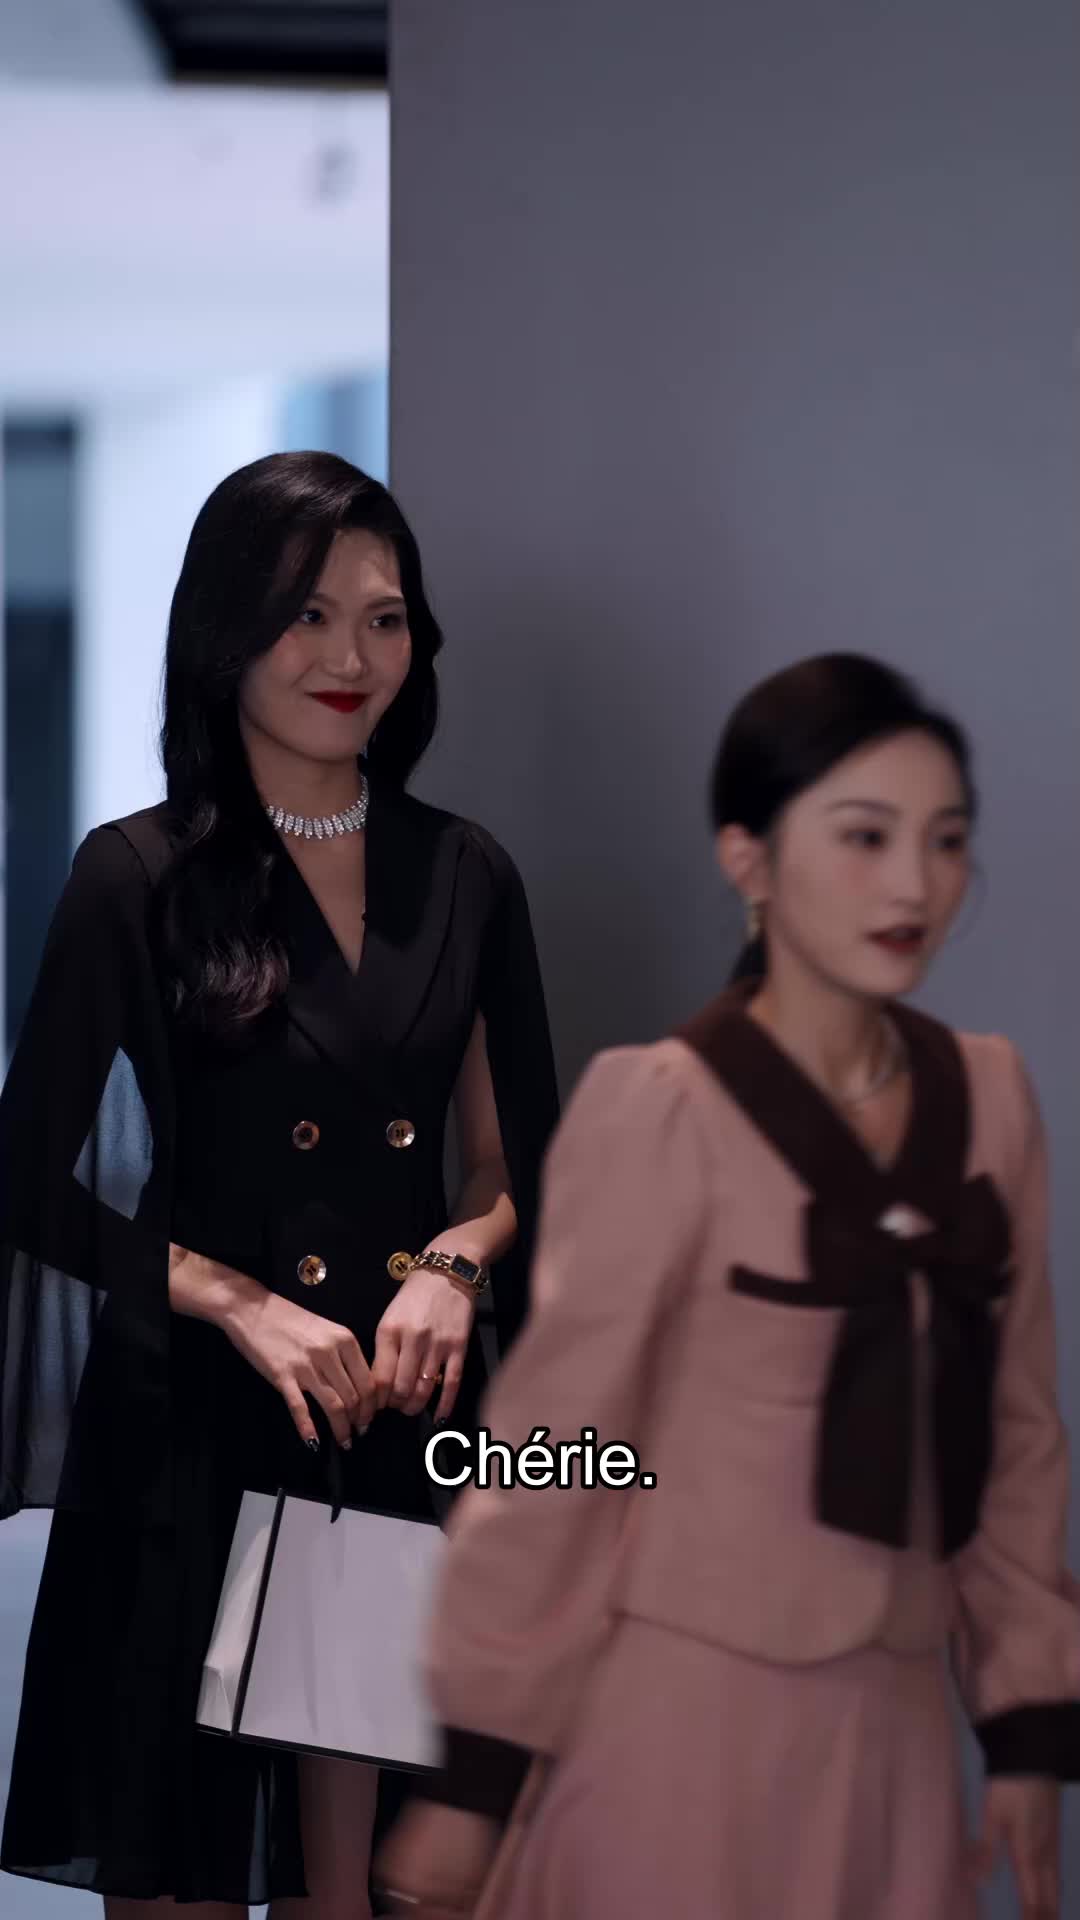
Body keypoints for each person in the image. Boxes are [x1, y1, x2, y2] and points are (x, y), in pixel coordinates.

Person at [374, 653, 1079, 1920]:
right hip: (681, 1731)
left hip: (901, 1742)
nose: (914, 884)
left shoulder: (992, 1102)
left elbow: (1018, 1443)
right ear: (750, 859)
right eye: (864, 836)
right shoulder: (661, 1109)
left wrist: (1027, 1731)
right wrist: (473, 1776)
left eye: (945, 840)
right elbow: (556, 1451)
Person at [0, 451, 559, 1919]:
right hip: (187, 1433)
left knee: (359, 1887)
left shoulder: (468, 874)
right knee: (177, 1877)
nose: (349, 656)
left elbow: (516, 1164)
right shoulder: (135, 875)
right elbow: (26, 1181)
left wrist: (455, 1265)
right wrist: (239, 1304)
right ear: (226, 627)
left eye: (385, 618)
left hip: (385, 1430)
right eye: (307, 615)